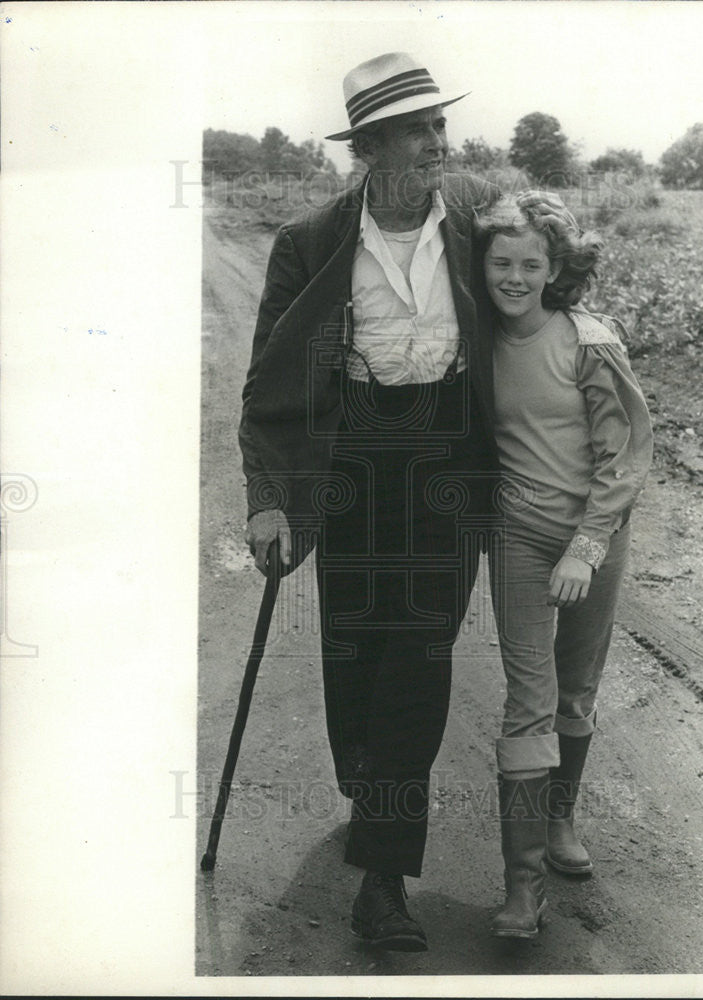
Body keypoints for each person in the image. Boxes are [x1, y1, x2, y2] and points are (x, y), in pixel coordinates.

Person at [239, 52, 504, 951]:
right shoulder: (311, 241)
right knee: (354, 643)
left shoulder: (476, 221)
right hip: (351, 453)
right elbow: (267, 382)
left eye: (439, 124)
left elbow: (543, 299)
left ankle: (383, 875)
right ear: (372, 146)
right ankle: (365, 779)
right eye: (421, 128)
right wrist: (269, 498)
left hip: (448, 459)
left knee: (418, 657)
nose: (441, 140)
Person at [474, 192, 653, 939]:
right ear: (481, 264)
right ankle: (523, 889)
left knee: (576, 690)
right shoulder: (474, 341)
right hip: (517, 536)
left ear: (555, 269)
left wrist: (586, 547)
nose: (514, 277)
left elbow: (626, 455)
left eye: (530, 264)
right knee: (529, 699)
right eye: (500, 262)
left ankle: (561, 820)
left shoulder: (588, 340)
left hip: (593, 539)